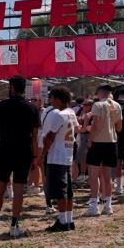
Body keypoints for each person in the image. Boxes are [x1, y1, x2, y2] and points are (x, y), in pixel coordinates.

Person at [0, 75, 40, 237]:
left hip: (5, 150)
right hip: (24, 152)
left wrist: (5, 133)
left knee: (1, 187)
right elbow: (35, 137)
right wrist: (36, 156)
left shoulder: (0, 106)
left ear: (11, 87)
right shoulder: (32, 108)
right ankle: (14, 225)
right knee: (18, 189)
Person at [41, 86, 79, 232]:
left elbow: (50, 136)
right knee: (68, 190)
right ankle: (69, 219)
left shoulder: (59, 115)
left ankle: (62, 221)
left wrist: (42, 153)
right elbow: (76, 128)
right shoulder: (71, 113)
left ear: (57, 99)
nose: (50, 101)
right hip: (67, 154)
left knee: (60, 191)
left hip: (56, 156)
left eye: (51, 98)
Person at [84, 84, 122, 216]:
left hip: (98, 143)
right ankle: (108, 205)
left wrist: (90, 139)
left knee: (94, 176)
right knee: (107, 176)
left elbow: (95, 124)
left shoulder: (97, 105)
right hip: (111, 142)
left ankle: (94, 206)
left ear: (100, 93)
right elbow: (119, 127)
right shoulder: (116, 105)